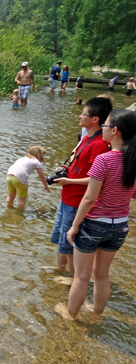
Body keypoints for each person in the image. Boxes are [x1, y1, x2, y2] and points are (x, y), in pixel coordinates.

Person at [55, 109, 136, 320]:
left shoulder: (105, 159)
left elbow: (90, 198)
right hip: (119, 226)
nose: (103, 129)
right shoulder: (133, 161)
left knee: (81, 277)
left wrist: (74, 226)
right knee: (102, 274)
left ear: (115, 131)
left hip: (94, 224)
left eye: (105, 126)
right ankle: (96, 313)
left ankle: (70, 315)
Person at [49, 97, 112, 281]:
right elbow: (81, 166)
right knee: (60, 237)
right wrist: (66, 170)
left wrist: (69, 182)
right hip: (67, 196)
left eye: (84, 113)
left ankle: (73, 279)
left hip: (77, 200)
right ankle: (60, 268)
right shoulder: (86, 138)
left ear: (95, 119)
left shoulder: (99, 144)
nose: (80, 115)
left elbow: (96, 180)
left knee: (69, 243)